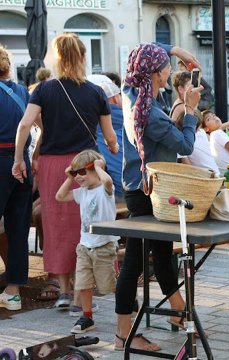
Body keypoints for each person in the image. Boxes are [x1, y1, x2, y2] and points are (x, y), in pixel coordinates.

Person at [13, 33, 118, 312]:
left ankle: (64, 289)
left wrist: (18, 159)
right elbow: (109, 137)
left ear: (55, 59)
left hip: (53, 166)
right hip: (87, 164)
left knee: (57, 225)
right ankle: (83, 293)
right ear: (84, 57)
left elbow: (25, 126)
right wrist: (114, 146)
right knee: (85, 224)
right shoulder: (96, 92)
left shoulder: (44, 90)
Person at [115, 42, 201, 351]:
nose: (170, 72)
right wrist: (190, 109)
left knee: (164, 252)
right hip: (149, 191)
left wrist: (178, 52)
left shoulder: (131, 91)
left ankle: (178, 310)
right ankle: (123, 332)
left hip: (137, 186)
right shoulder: (151, 113)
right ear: (156, 73)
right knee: (135, 264)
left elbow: (141, 51)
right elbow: (185, 146)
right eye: (166, 67)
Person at [55, 150, 118, 334]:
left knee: (108, 286)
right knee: (83, 284)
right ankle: (87, 316)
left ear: (95, 169)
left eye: (83, 172)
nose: (78, 177)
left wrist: (99, 167)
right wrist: (68, 178)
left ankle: (128, 301)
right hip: (84, 246)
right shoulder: (82, 192)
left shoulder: (105, 190)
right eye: (75, 173)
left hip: (104, 246)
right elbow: (59, 197)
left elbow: (107, 181)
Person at [0, 45, 32, 311]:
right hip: (22, 161)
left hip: (1, 160)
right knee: (19, 229)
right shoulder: (21, 91)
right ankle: (13, 292)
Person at [89, 74, 124, 200]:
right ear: (115, 98)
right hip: (131, 188)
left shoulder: (91, 124)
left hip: (109, 191)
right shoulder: (129, 118)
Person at [177, 111, 220, 177]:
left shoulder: (181, 140)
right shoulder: (201, 132)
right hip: (214, 175)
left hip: (206, 177)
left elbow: (188, 166)